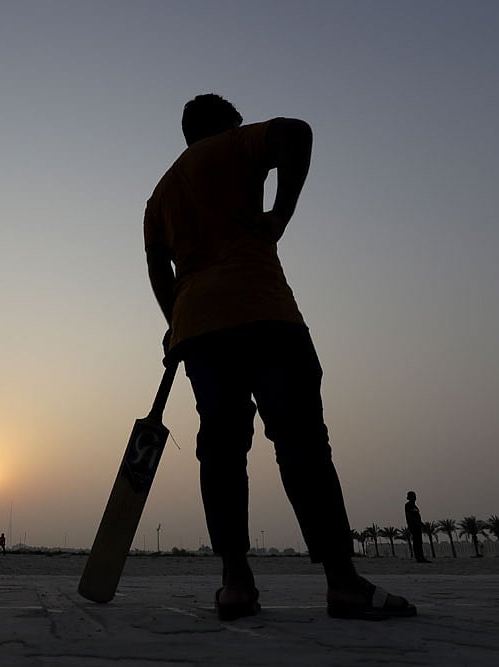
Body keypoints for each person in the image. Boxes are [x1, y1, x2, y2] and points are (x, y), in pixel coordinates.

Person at [143, 93, 416, 621]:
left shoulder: (159, 196)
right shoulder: (233, 144)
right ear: (226, 123)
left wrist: (175, 322)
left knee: (221, 450)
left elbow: (159, 270)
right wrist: (280, 215)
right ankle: (342, 582)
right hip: (264, 314)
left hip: (199, 329)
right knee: (301, 442)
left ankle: (236, 584)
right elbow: (296, 131)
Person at [405, 491, 430, 562]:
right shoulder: (408, 505)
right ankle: (419, 558)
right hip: (414, 526)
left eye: (415, 496)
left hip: (418, 526)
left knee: (419, 542)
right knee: (416, 542)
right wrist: (412, 525)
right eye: (413, 496)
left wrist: (422, 525)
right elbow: (409, 517)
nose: (415, 497)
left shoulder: (415, 506)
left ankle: (421, 557)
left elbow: (417, 518)